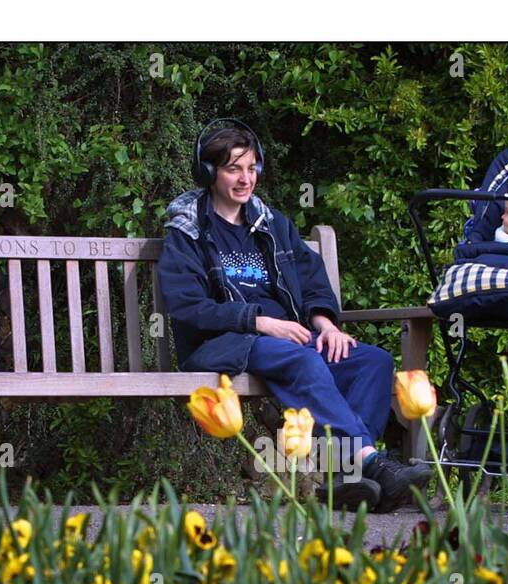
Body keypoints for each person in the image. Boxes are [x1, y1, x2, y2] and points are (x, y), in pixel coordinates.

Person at [159, 118, 431, 512]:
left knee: (372, 361)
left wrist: (323, 322)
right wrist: (258, 321)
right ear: (209, 172)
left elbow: (312, 278)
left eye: (251, 168)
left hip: (288, 340)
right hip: (223, 344)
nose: (244, 179)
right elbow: (187, 306)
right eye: (233, 168)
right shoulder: (189, 232)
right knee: (300, 358)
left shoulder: (271, 225)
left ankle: (347, 480)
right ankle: (370, 464)